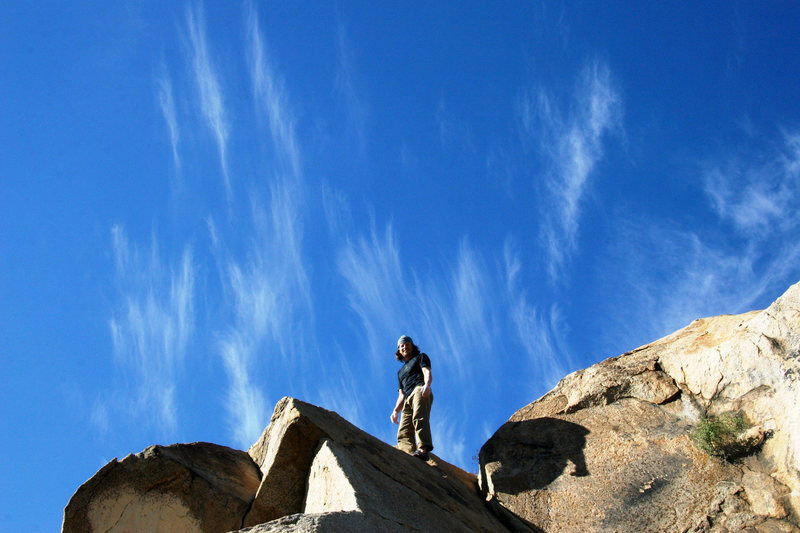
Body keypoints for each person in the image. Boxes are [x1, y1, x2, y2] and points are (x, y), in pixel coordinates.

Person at [390, 335, 434, 460]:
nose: (404, 347)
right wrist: (395, 411)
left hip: (420, 389)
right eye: (401, 346)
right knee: (403, 430)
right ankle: (407, 455)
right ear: (399, 350)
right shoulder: (400, 372)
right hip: (407, 399)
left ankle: (423, 449)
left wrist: (427, 385)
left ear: (412, 346)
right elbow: (401, 395)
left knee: (419, 417)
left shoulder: (420, 357)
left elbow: (427, 371)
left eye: (407, 344)